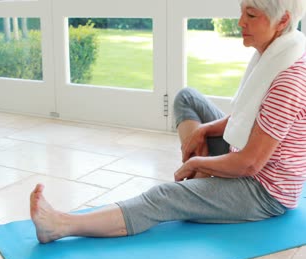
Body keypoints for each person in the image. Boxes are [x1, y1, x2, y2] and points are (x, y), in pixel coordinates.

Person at [30, 0, 306, 244]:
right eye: (241, 12)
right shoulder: (276, 53)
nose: (240, 22)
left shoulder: (288, 80)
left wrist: (196, 162)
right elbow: (249, 116)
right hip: (247, 158)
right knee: (187, 98)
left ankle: (59, 226)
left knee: (164, 195)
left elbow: (250, 163)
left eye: (252, 15)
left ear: (282, 21)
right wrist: (204, 131)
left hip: (264, 190)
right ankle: (203, 180)